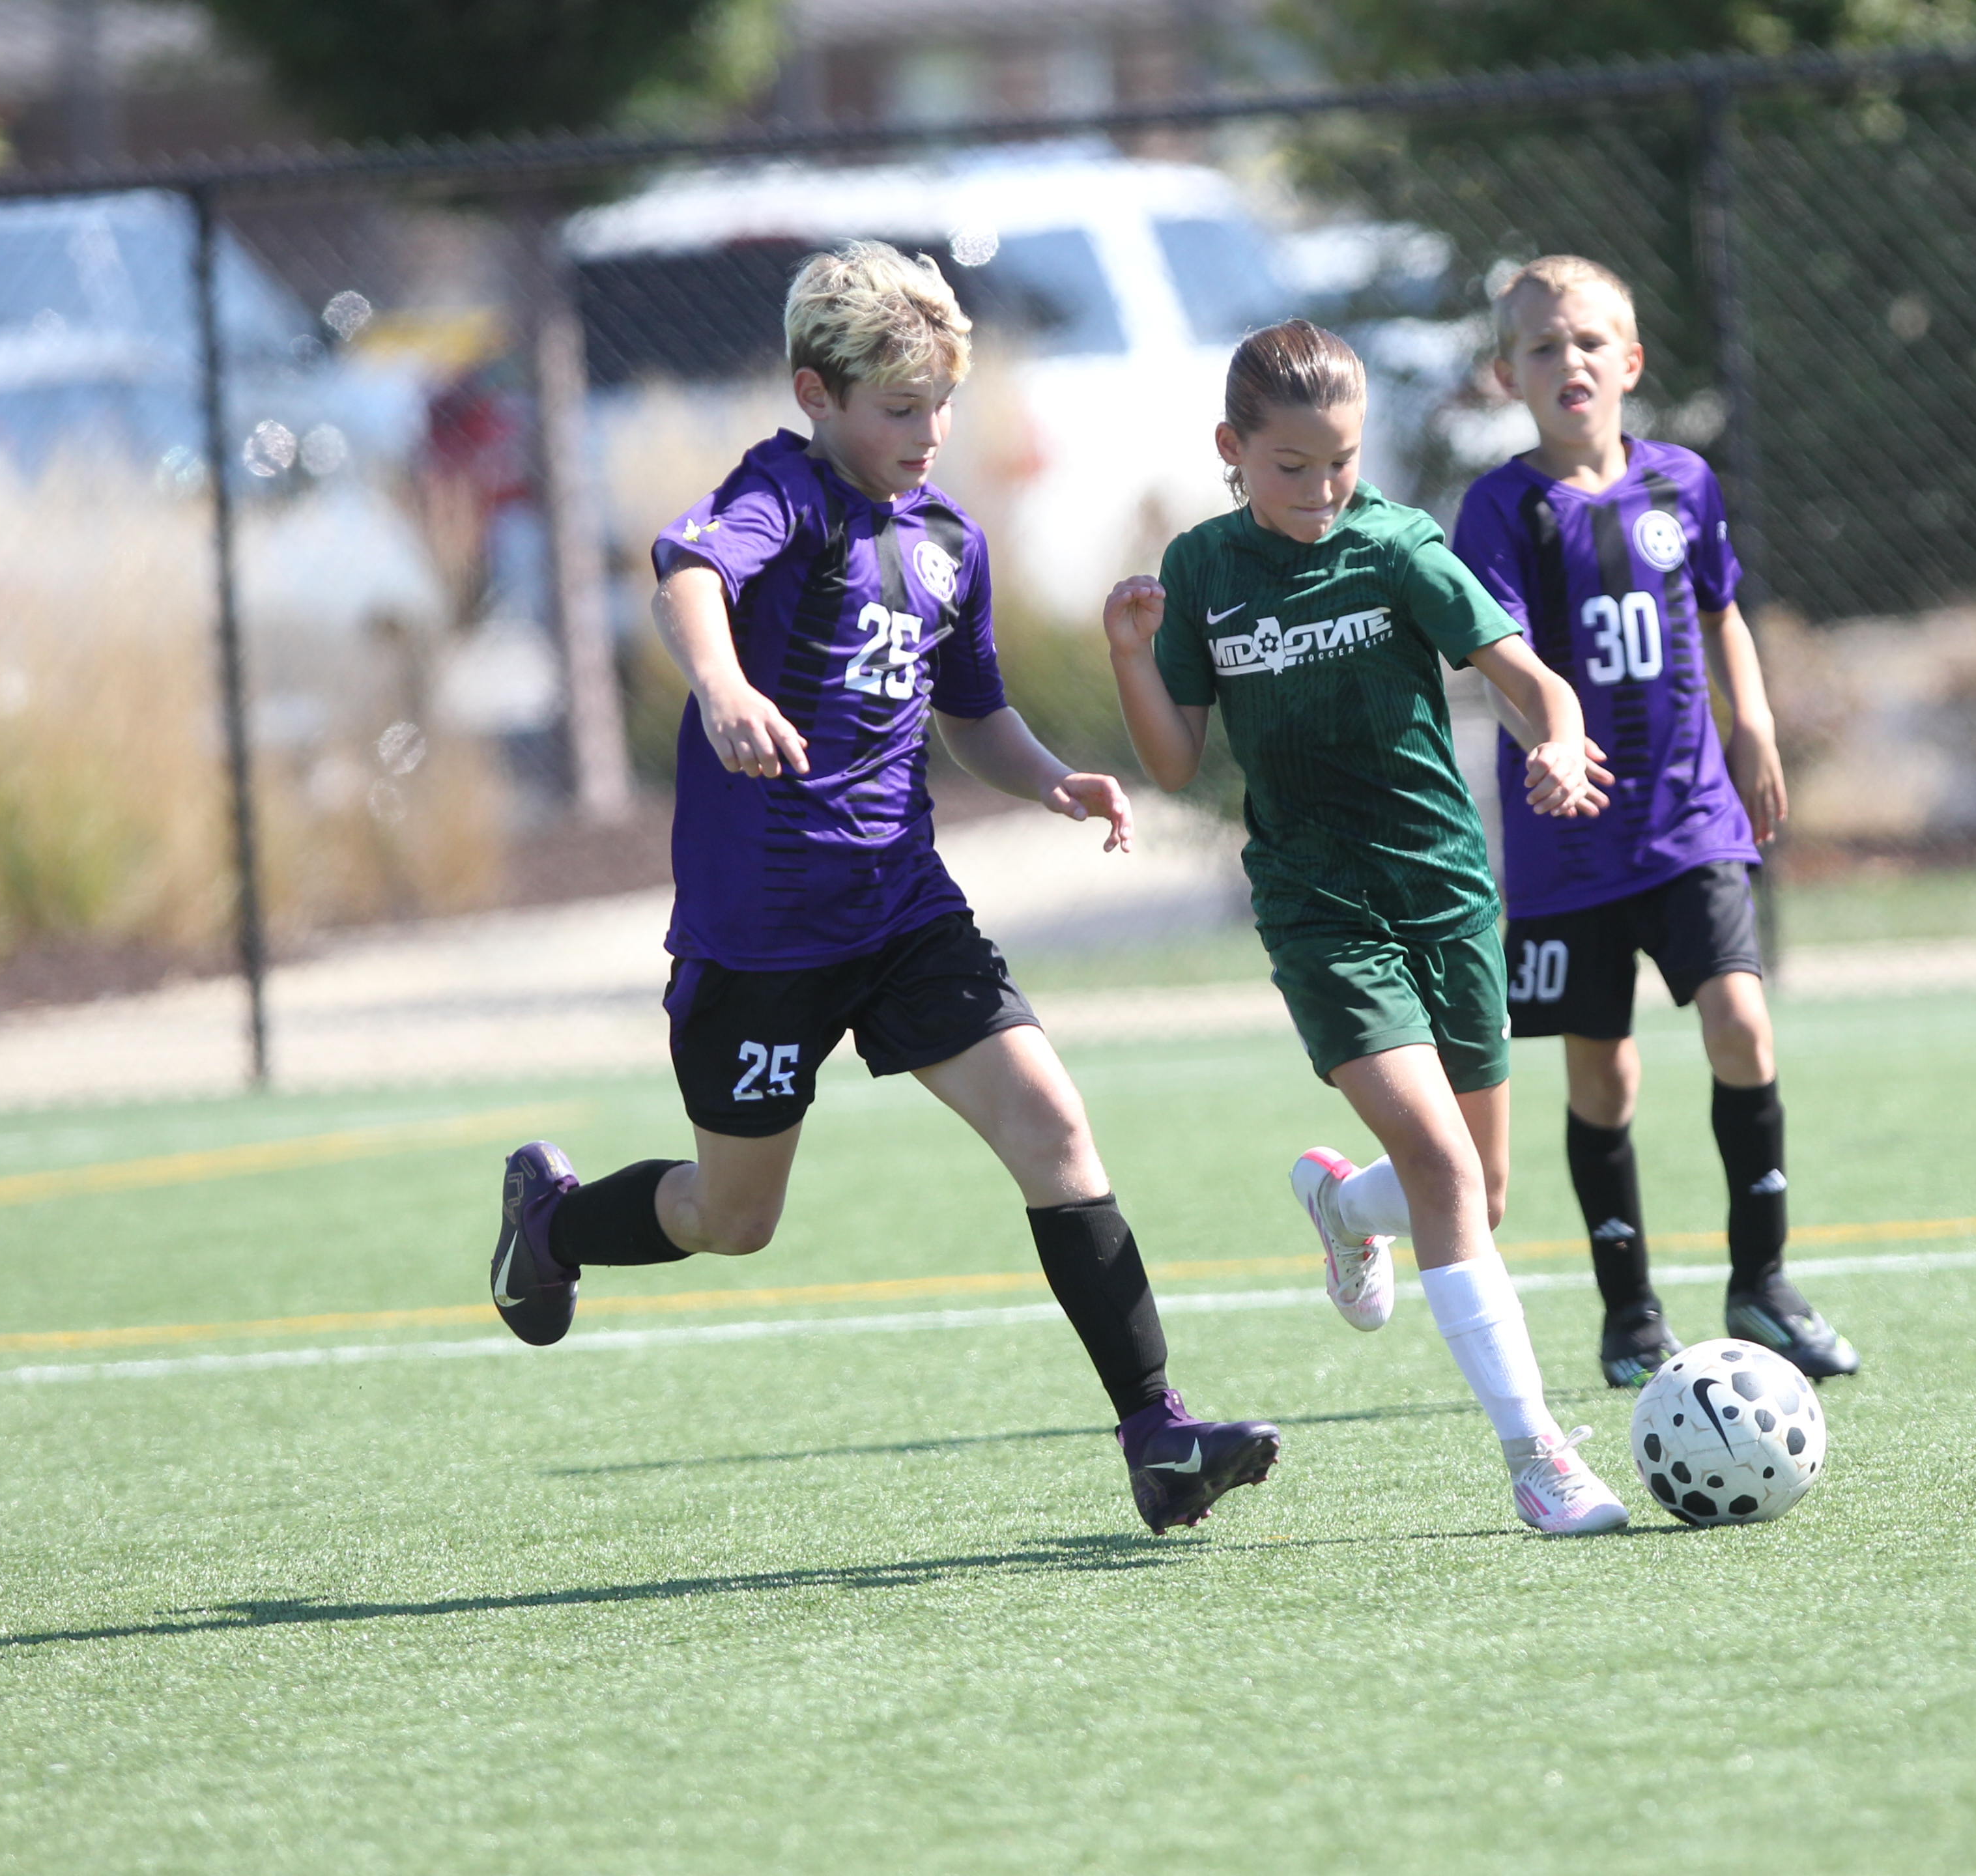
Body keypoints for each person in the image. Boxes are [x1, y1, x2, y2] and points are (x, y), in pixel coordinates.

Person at [485, 240, 1280, 1535]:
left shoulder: (950, 540)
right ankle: (555, 1229)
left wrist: (1052, 780)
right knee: (734, 1217)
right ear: (818, 394)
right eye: (900, 409)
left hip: (906, 912)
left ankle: (1159, 1434)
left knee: (1054, 1128)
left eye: (942, 405)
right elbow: (691, 576)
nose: (929, 433)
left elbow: (972, 711)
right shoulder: (784, 495)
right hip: (762, 939)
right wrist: (723, 686)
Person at [1103, 317, 1629, 1536]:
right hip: (1319, 909)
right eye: (1292, 466)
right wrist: (1131, 656)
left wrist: (1558, 741)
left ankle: (1343, 1210)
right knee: (1445, 1170)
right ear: (1232, 450)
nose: (1322, 488)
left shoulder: (1397, 547)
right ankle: (1539, 1457)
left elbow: (1535, 683)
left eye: (1341, 461)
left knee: (1481, 1194)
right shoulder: (1203, 570)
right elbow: (1174, 762)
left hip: (1445, 894)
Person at [1450, 255, 1861, 1389]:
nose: (1569, 362)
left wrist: (1754, 723)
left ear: (1630, 361)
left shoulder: (1684, 482)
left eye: (1589, 341)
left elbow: (1721, 611)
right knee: (1604, 1076)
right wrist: (1547, 741)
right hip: (1570, 841)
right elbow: (1497, 655)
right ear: (1508, 376)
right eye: (1542, 347)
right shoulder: (1502, 510)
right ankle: (1629, 1315)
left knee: (1743, 1025)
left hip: (1692, 818)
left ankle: (1762, 1284)